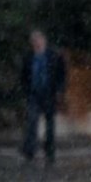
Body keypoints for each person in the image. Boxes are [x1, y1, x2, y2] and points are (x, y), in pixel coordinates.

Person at [20, 29, 67, 165]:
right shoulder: (29, 57)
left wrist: (59, 90)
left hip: (49, 93)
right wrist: (26, 90)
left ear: (44, 41)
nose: (37, 44)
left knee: (50, 124)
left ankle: (50, 151)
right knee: (32, 120)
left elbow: (61, 74)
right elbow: (23, 76)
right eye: (34, 42)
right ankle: (29, 150)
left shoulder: (54, 56)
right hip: (34, 93)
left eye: (39, 41)